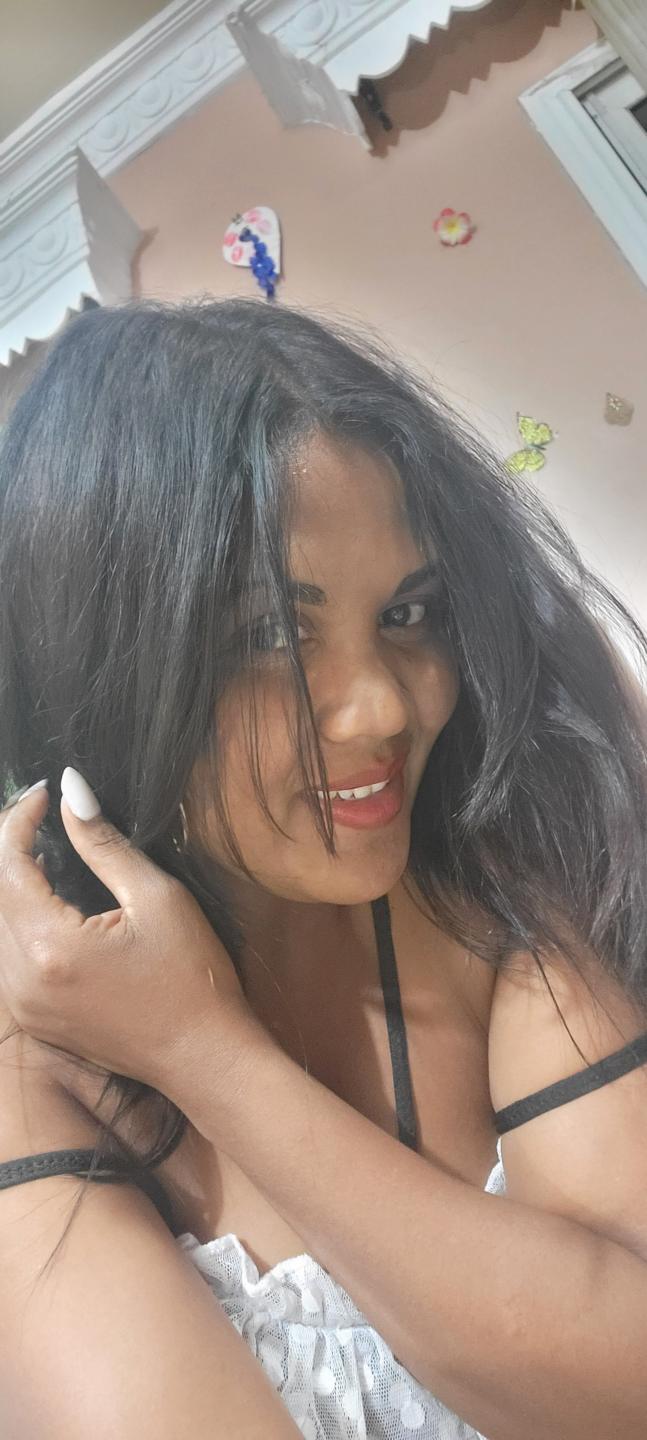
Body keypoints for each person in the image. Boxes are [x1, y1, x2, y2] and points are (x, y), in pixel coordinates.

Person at [0, 298, 646, 1440]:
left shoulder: (489, 896)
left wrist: (202, 1053)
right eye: (267, 634)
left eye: (408, 612)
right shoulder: (35, 1066)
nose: (385, 706)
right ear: (97, 662)